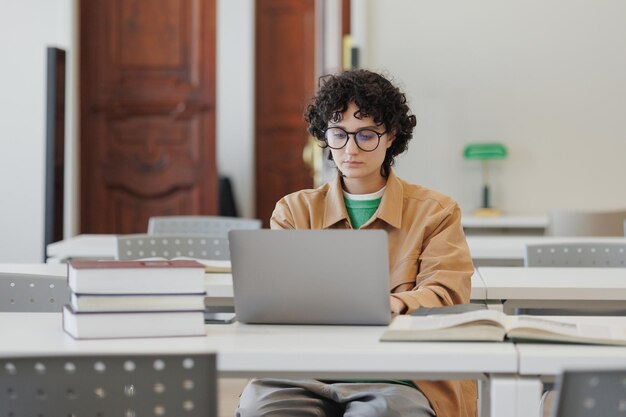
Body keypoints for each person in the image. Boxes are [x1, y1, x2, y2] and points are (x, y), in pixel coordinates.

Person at [236, 69, 476, 417]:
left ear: (391, 135)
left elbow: (448, 293)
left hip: (397, 375)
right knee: (263, 409)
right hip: (302, 371)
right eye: (339, 134)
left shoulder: (435, 212)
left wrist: (392, 304)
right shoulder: (294, 211)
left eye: (365, 135)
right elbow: (279, 298)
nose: (350, 149)